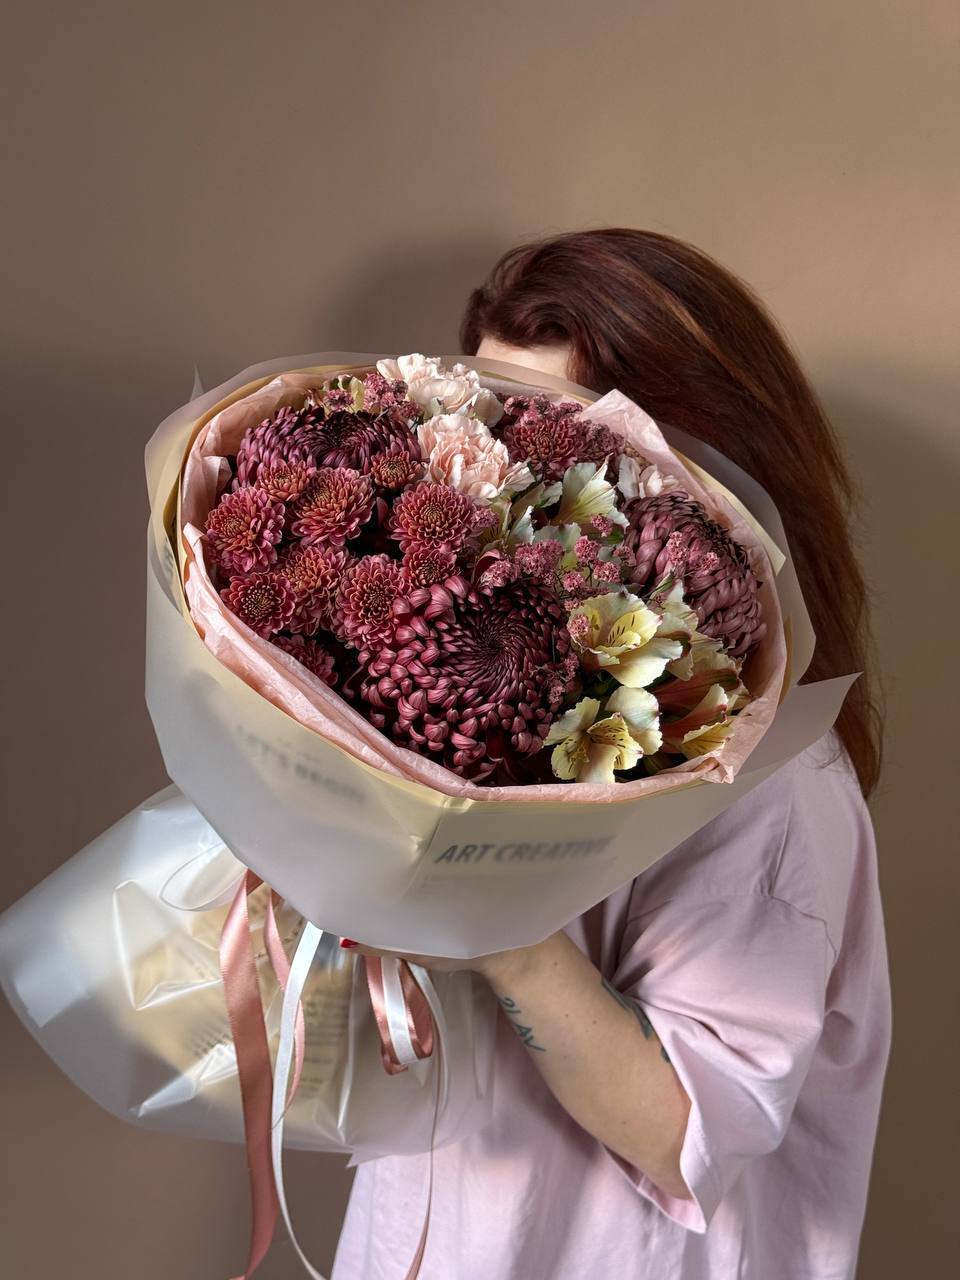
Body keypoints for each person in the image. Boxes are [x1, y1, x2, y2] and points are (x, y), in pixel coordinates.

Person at [331, 229, 891, 1280]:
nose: (509, 476)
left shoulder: (771, 788)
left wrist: (498, 927)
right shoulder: (481, 693)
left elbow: (688, 1134)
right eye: (494, 422)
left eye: (566, 443)